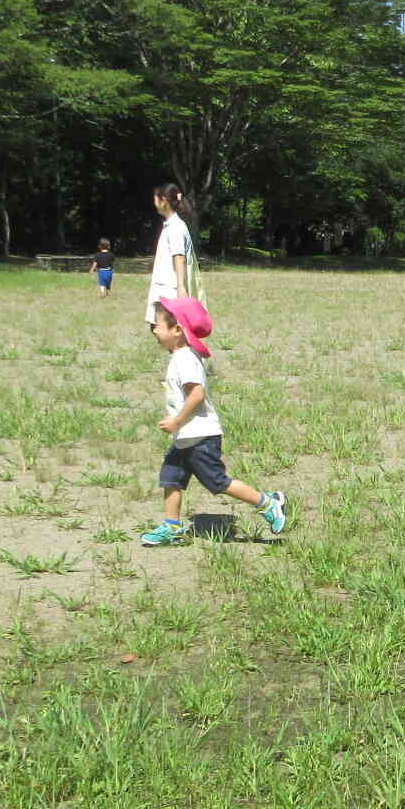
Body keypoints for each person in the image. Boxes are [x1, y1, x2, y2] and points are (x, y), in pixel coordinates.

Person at [140, 297, 287, 547]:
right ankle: (172, 527)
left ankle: (268, 503)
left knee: (217, 482)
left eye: (158, 325)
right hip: (187, 437)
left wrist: (176, 421)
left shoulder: (185, 359)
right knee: (170, 477)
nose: (153, 329)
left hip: (201, 437)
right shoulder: (180, 356)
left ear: (177, 330)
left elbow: (197, 394)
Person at [146, 183, 195, 325]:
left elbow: (179, 257)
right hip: (165, 287)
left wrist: (180, 287)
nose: (154, 203)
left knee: (168, 330)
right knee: (160, 329)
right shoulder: (171, 225)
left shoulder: (175, 227)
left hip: (169, 289)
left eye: (155, 199)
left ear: (164, 201)